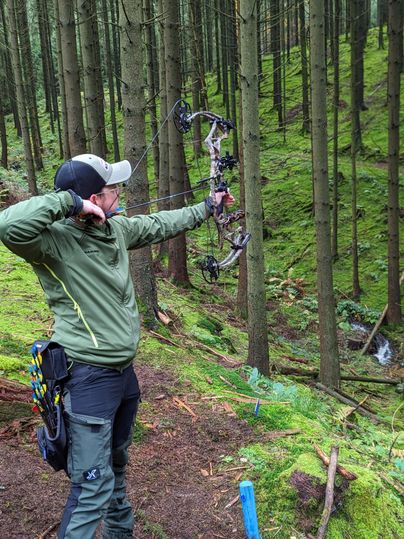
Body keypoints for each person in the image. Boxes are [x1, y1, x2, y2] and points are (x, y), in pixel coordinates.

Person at [0, 154, 233, 539]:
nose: (120, 193)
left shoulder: (116, 230)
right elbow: (7, 225)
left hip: (123, 377)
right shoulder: (53, 242)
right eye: (113, 189)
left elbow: (161, 223)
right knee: (92, 488)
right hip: (87, 378)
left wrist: (208, 207)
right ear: (94, 197)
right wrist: (71, 203)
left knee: (115, 469)